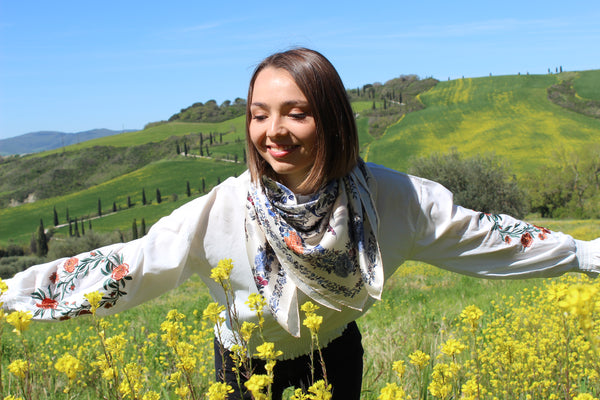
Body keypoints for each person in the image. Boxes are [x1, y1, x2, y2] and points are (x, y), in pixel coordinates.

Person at [1, 47, 598, 399]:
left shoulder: (389, 198)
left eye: (297, 112)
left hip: (333, 359)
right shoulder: (221, 209)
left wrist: (582, 254)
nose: (272, 131)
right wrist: (11, 297)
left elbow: (483, 235)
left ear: (333, 120)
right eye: (259, 115)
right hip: (238, 372)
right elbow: (128, 265)